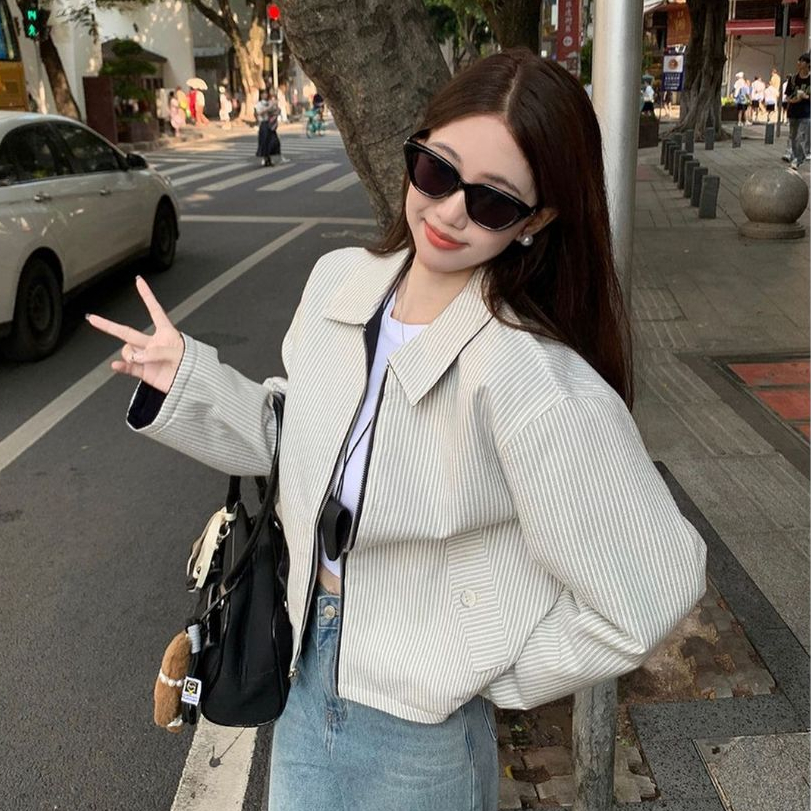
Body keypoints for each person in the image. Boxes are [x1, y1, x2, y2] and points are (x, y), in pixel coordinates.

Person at [86, 49, 706, 811]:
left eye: (492, 202)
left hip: (422, 736)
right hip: (303, 675)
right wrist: (185, 377)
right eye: (437, 171)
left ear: (536, 219)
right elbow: (295, 446)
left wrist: (489, 669)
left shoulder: (527, 374)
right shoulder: (338, 283)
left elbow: (651, 583)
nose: (448, 212)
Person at [784, 52, 811, 169]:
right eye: (799, 61)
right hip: (793, 111)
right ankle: (796, 156)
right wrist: (793, 100)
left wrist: (805, 96)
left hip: (806, 113)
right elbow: (787, 96)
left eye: (802, 61)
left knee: (800, 136)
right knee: (793, 136)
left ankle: (797, 159)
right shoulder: (793, 79)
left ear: (808, 64)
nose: (799, 63)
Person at [255, 89, 282, 166]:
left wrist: (276, 107)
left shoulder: (270, 102)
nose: (265, 95)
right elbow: (259, 113)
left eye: (266, 93)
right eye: (263, 94)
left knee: (273, 142)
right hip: (264, 124)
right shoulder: (259, 104)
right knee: (264, 142)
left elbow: (277, 111)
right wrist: (268, 108)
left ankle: (269, 158)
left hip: (270, 124)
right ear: (260, 95)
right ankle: (266, 159)